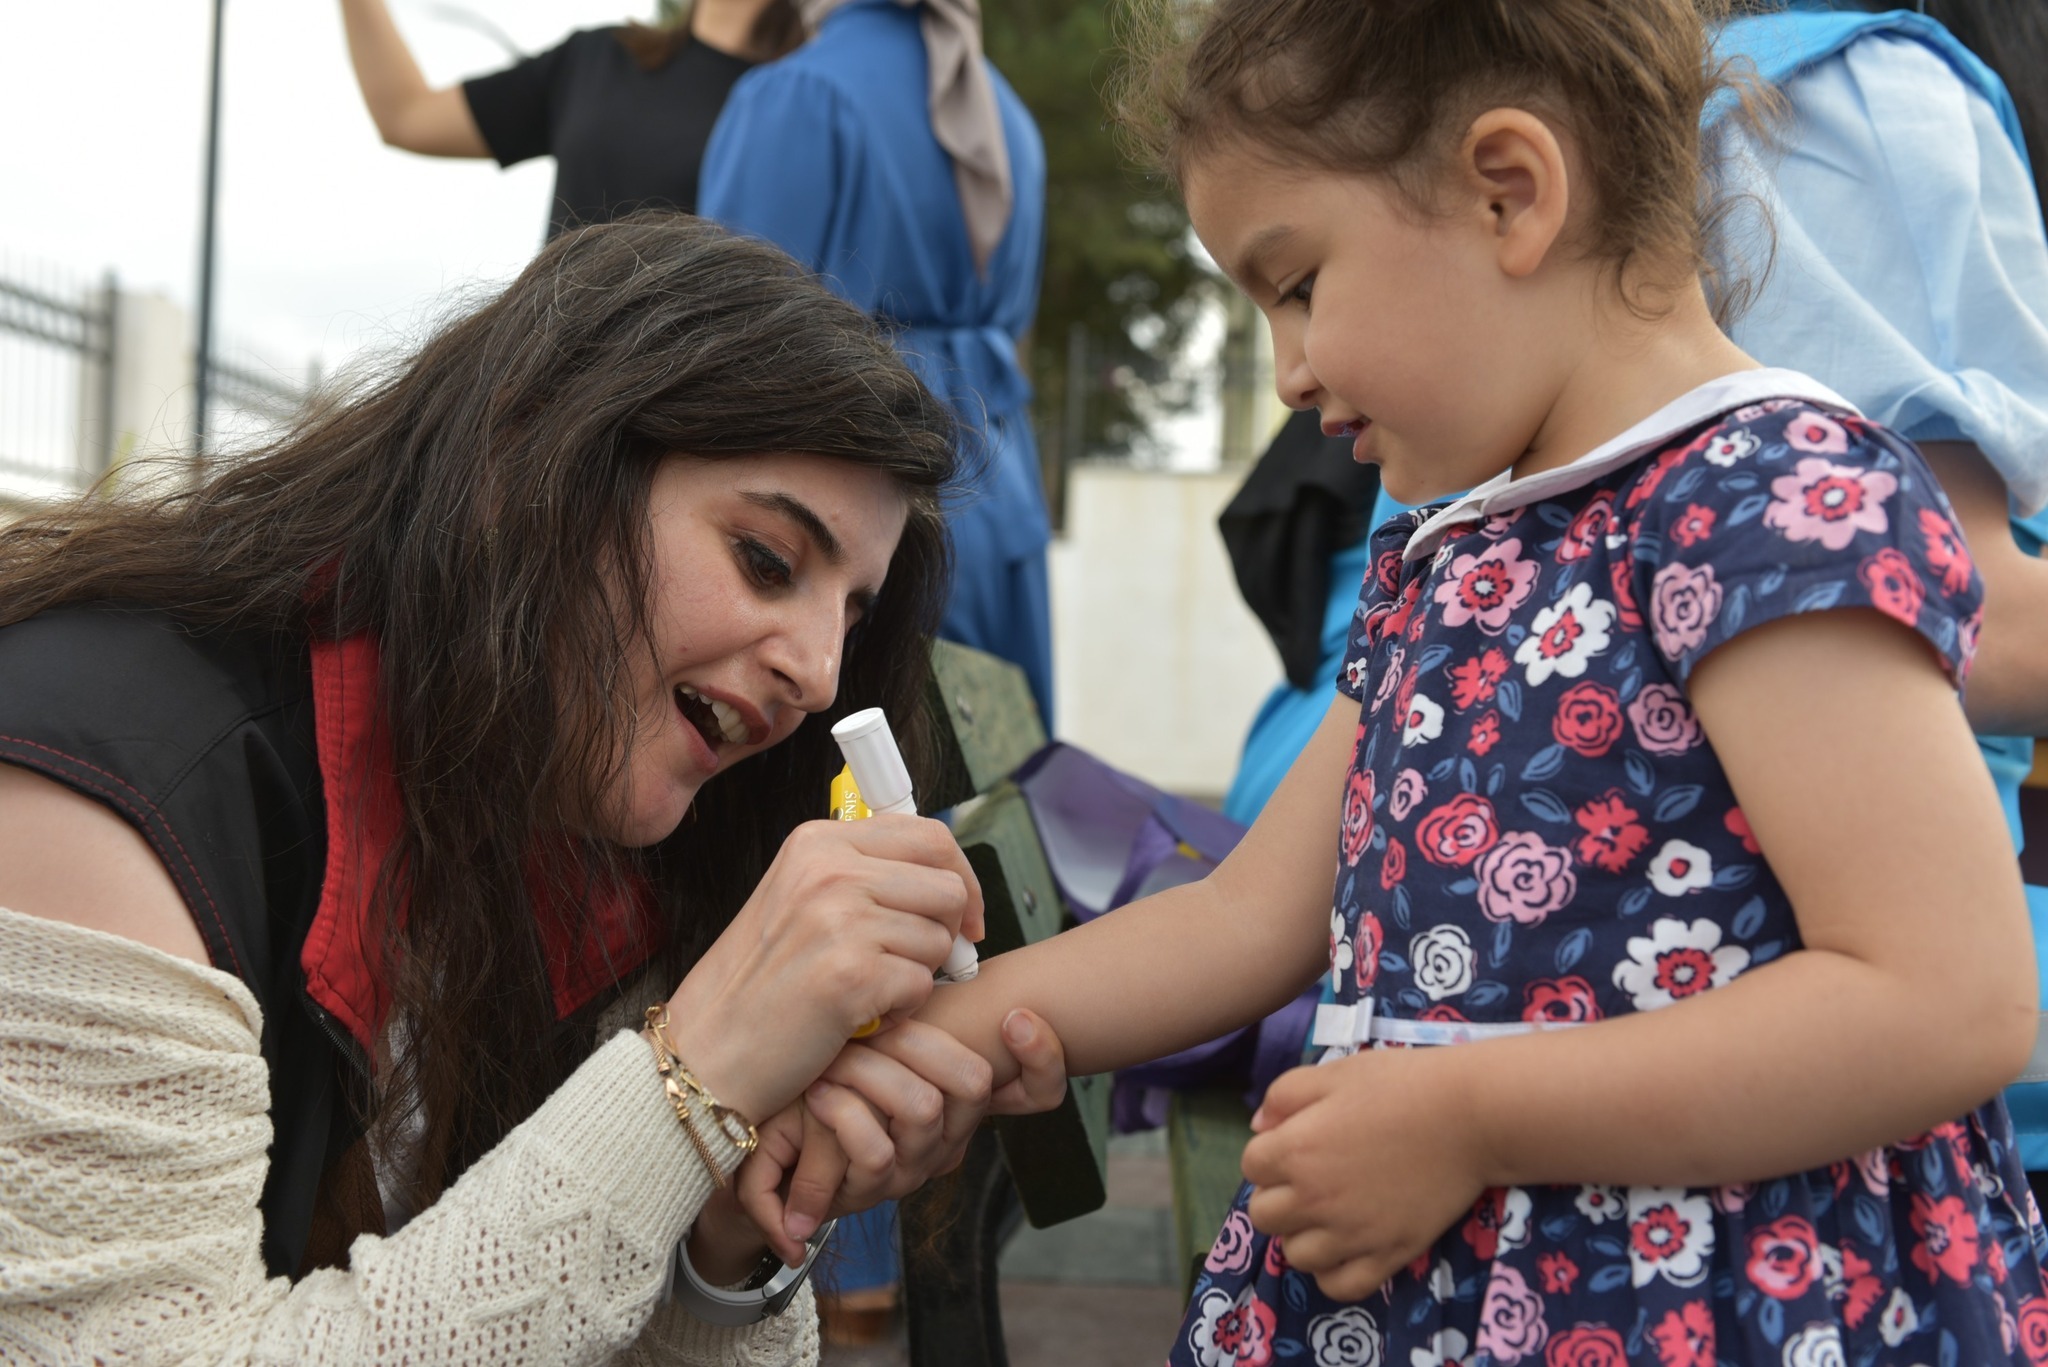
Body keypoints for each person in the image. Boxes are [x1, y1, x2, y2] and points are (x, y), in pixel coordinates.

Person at [751, 0, 2048, 1358]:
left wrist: (1467, 1113)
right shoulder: (1453, 553)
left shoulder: (1765, 500)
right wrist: (954, 1027)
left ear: (1509, 193)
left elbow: (1944, 999)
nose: (1291, 373)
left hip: (1722, 1306)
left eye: (1298, 283)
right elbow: (1254, 916)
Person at [0, 216, 1068, 1365]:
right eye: (766, 558)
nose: (815, 673)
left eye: (849, 617)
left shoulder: (581, 810)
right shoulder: (101, 786)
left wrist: (720, 1241)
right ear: (529, 464)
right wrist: (692, 1077)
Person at [697, 0, 1056, 727]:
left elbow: (730, 352)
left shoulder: (797, 95)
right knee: (995, 801)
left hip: (861, 498)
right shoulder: (1007, 116)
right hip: (1002, 490)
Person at [337, 0, 799, 237]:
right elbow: (406, 115)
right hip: (541, 394)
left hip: (686, 409)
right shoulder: (601, 58)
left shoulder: (802, 110)